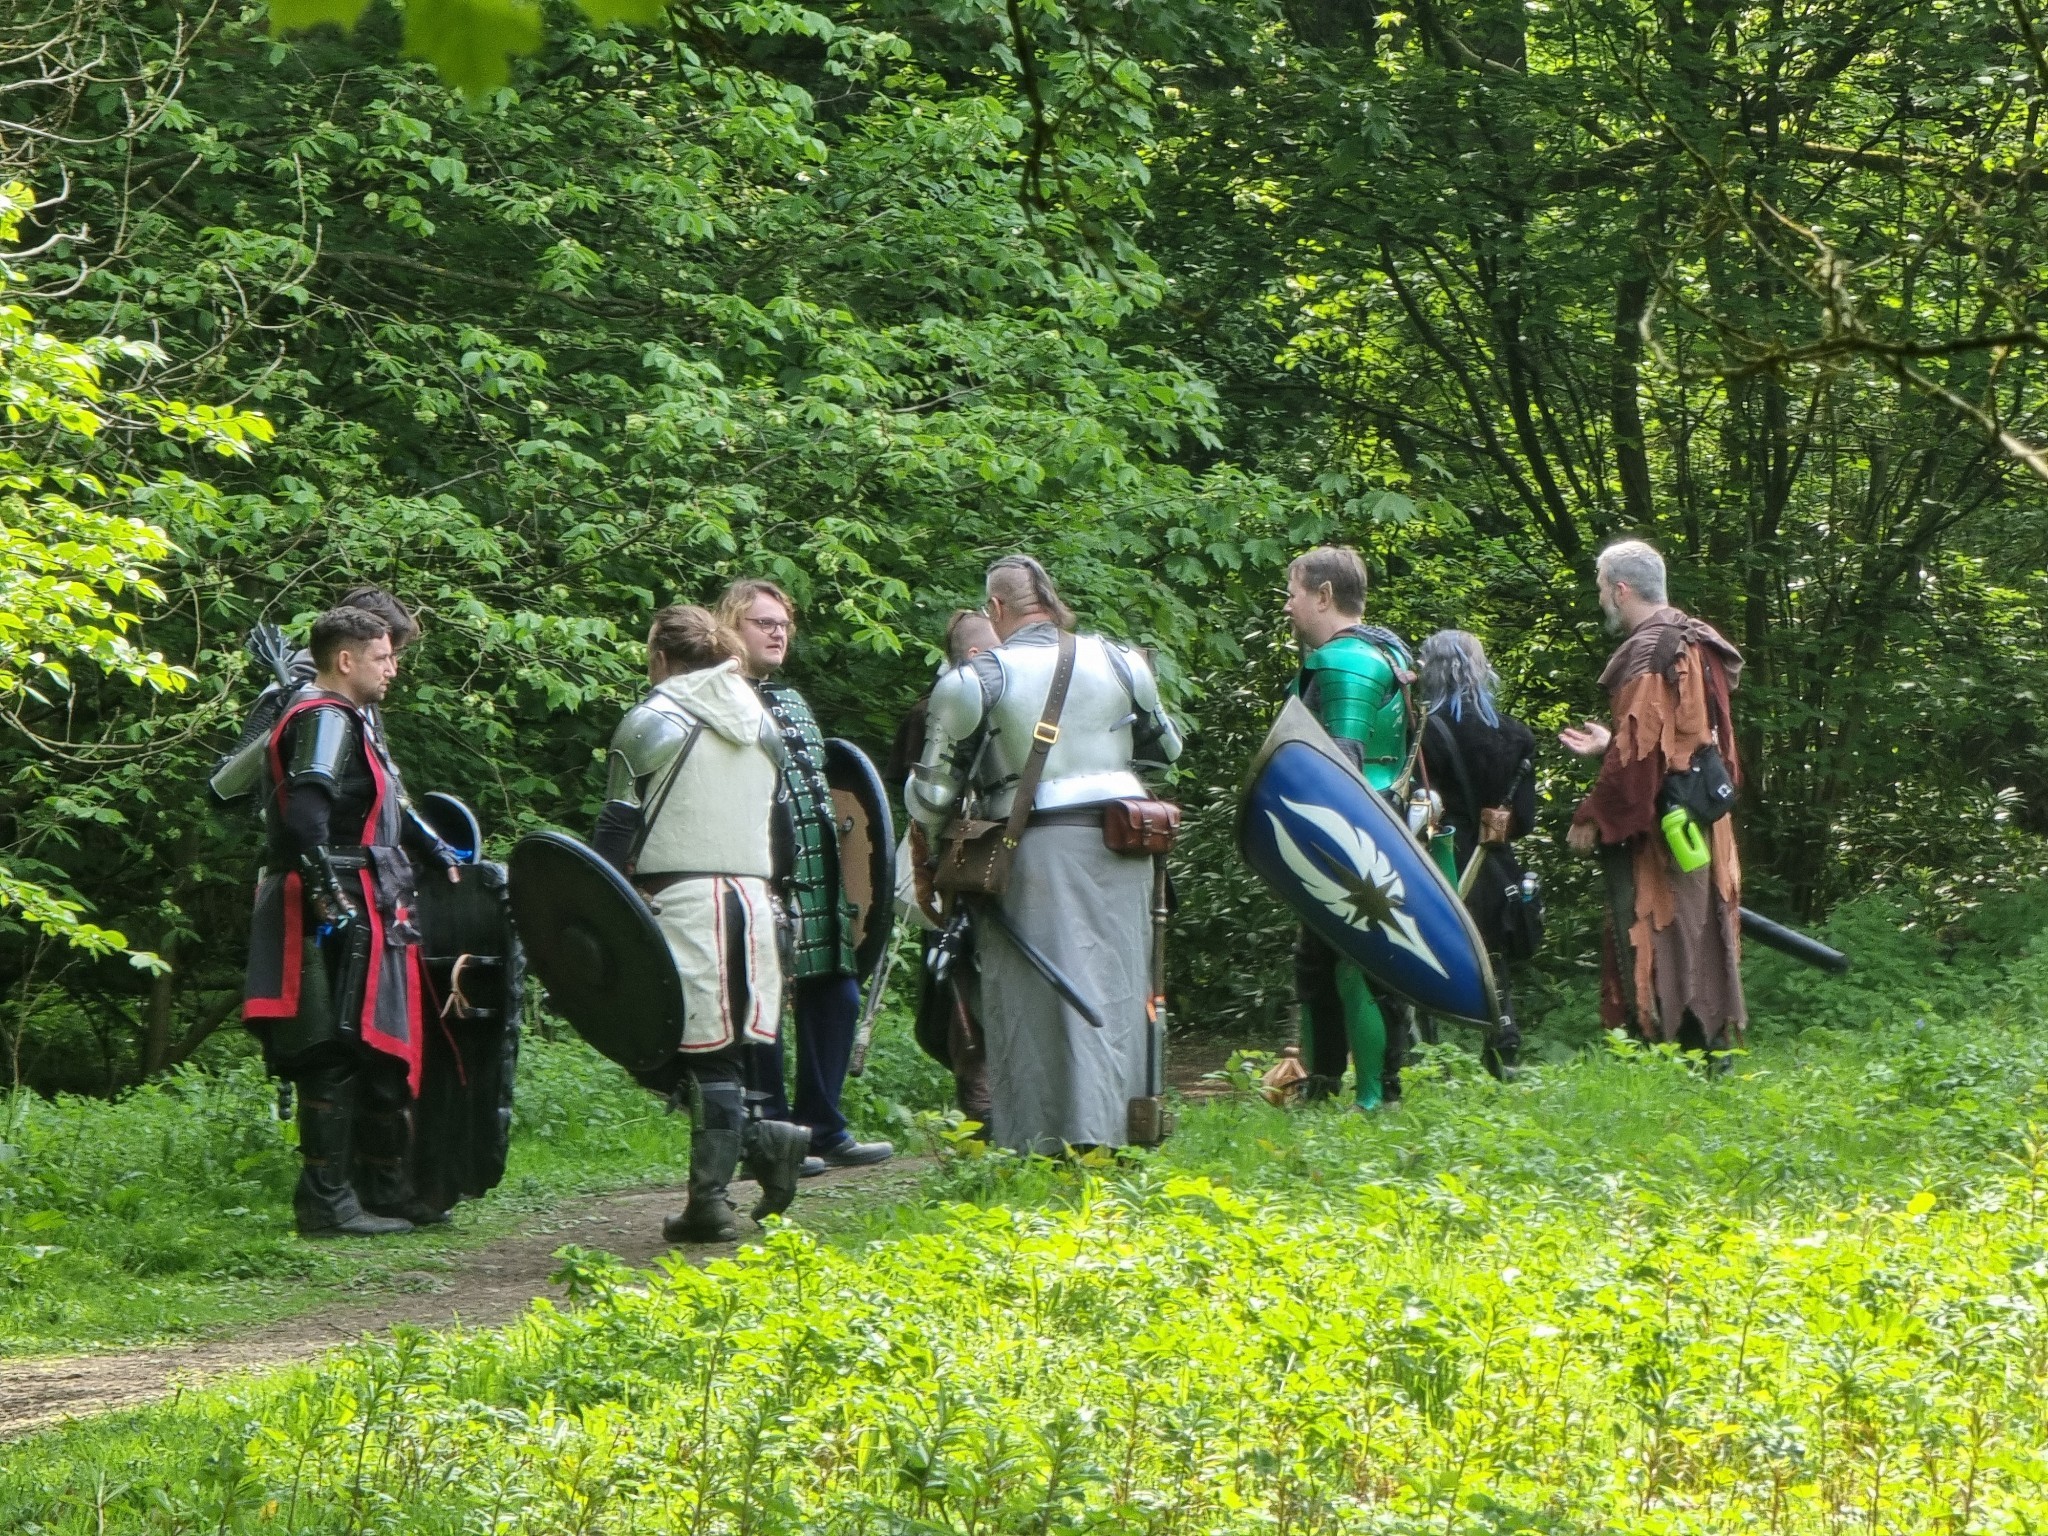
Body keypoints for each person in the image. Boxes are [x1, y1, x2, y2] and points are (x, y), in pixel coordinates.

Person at [909, 555, 1183, 1154]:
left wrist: (933, 835)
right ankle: (1122, 1131)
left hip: (1032, 848)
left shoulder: (978, 680)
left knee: (1039, 998)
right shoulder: (1122, 661)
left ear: (996, 609)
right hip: (1125, 846)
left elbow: (931, 796)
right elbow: (1165, 752)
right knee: (1115, 990)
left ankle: (1046, 1141)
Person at [593, 605, 811, 1242]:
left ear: (660, 657)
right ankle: (763, 1144)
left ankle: (712, 1201)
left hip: (681, 902)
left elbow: (616, 827)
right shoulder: (762, 722)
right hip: (754, 901)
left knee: (681, 1051)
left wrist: (600, 907)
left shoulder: (654, 719)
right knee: (719, 1054)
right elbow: (783, 829)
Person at [242, 606, 458, 1237]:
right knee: (330, 1049)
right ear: (345, 660)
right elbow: (305, 817)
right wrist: (326, 894)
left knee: (372, 1048)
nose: (393, 668)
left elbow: (385, 806)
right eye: (383, 657)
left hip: (367, 894)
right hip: (331, 898)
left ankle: (384, 1190)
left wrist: (436, 850)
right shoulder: (325, 718)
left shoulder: (350, 719)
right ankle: (326, 1201)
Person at [718, 579, 895, 1171]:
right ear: (731, 627)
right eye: (763, 623)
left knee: (837, 994)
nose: (778, 633)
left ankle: (823, 1127)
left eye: (784, 624)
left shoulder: (791, 702)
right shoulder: (716, 699)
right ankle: (770, 1137)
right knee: (760, 1001)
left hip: (819, 878)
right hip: (755, 872)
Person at [1561, 540, 1746, 1059]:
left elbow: (1641, 759)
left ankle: (1675, 1048)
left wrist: (1593, 813)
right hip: (1703, 817)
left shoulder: (1652, 650)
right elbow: (1671, 738)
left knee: (1665, 926)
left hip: (1669, 827)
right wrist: (1612, 744)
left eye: (1602, 588)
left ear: (1621, 590)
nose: (1601, 599)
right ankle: (1705, 1049)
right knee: (1700, 924)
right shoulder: (1695, 638)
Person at [1280, 545, 1417, 1110]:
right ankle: (1324, 1085)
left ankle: (1375, 1096)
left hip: (1356, 829)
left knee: (1361, 964)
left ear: (1324, 595)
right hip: (1374, 823)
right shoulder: (1385, 648)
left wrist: (1324, 836)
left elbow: (1342, 764)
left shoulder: (1346, 662)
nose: (1287, 606)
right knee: (1319, 962)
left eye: (1292, 593)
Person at [886, 609, 1000, 1129]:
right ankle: (980, 1106)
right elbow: (925, 802)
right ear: (975, 655)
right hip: (957, 866)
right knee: (961, 981)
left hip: (1007, 861)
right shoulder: (933, 712)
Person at [1416, 630, 1538, 1077]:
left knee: (1424, 952)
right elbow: (1524, 820)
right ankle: (1503, 1049)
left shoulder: (1422, 732)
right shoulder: (1516, 734)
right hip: (1492, 863)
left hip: (1436, 861)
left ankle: (1424, 1054)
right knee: (1492, 957)